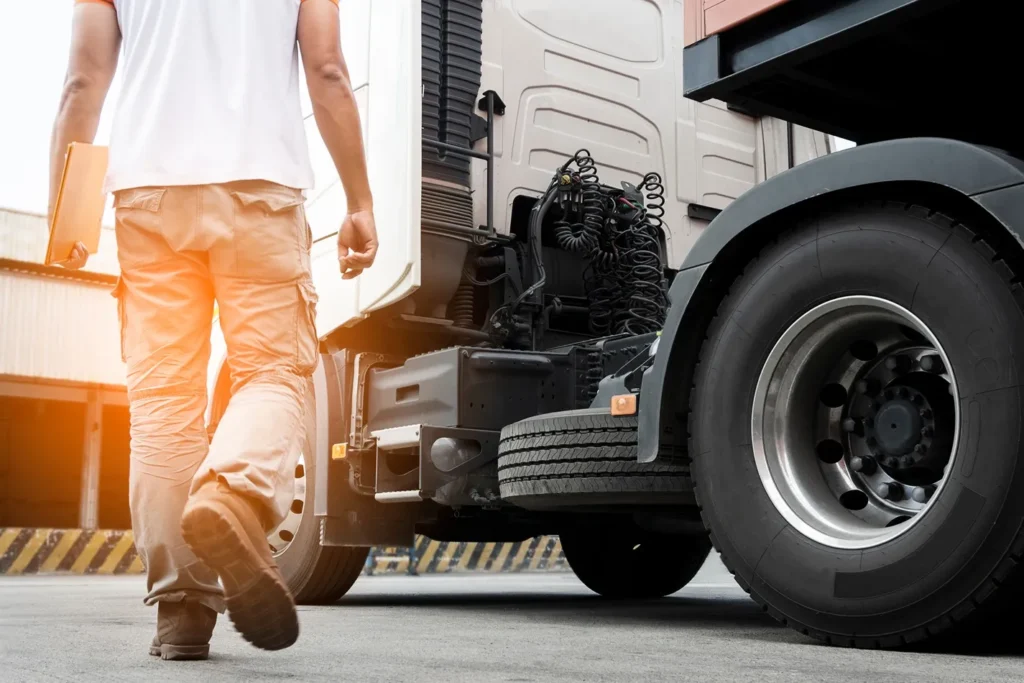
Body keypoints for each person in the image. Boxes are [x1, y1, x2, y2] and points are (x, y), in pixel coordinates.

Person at [49, 0, 378, 660]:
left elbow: (83, 82)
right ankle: (234, 491)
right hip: (259, 190)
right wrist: (360, 201)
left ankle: (182, 612)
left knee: (163, 406)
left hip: (147, 197)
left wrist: (68, 211)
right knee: (273, 372)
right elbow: (328, 69)